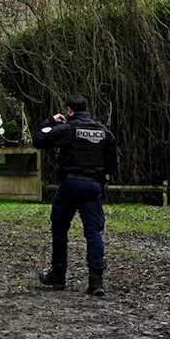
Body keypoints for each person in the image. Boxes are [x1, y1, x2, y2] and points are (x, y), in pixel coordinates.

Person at [31, 94, 119, 296]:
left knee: (60, 228)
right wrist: (102, 178)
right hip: (93, 187)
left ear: (69, 110)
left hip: (70, 184)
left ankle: (58, 274)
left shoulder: (69, 129)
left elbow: (38, 139)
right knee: (93, 232)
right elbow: (114, 160)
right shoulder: (103, 131)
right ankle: (96, 280)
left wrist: (51, 121)